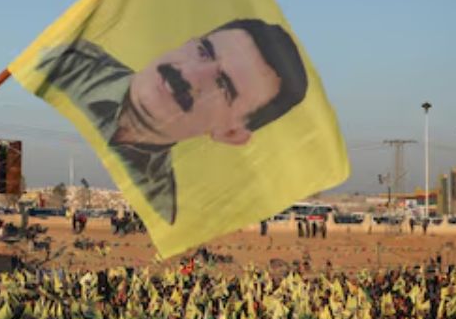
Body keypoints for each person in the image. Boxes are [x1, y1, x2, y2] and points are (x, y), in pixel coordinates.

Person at [36, 18, 308, 225]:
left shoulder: (159, 206)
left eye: (222, 84)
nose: (188, 74)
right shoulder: (68, 63)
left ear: (231, 133)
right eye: (204, 51)